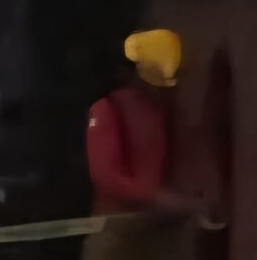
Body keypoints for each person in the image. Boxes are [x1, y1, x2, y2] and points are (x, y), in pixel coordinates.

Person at [84, 28, 199, 260]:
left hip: (161, 230)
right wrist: (159, 197)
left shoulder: (169, 115)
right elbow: (106, 175)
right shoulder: (107, 110)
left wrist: (192, 196)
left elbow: (190, 156)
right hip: (116, 229)